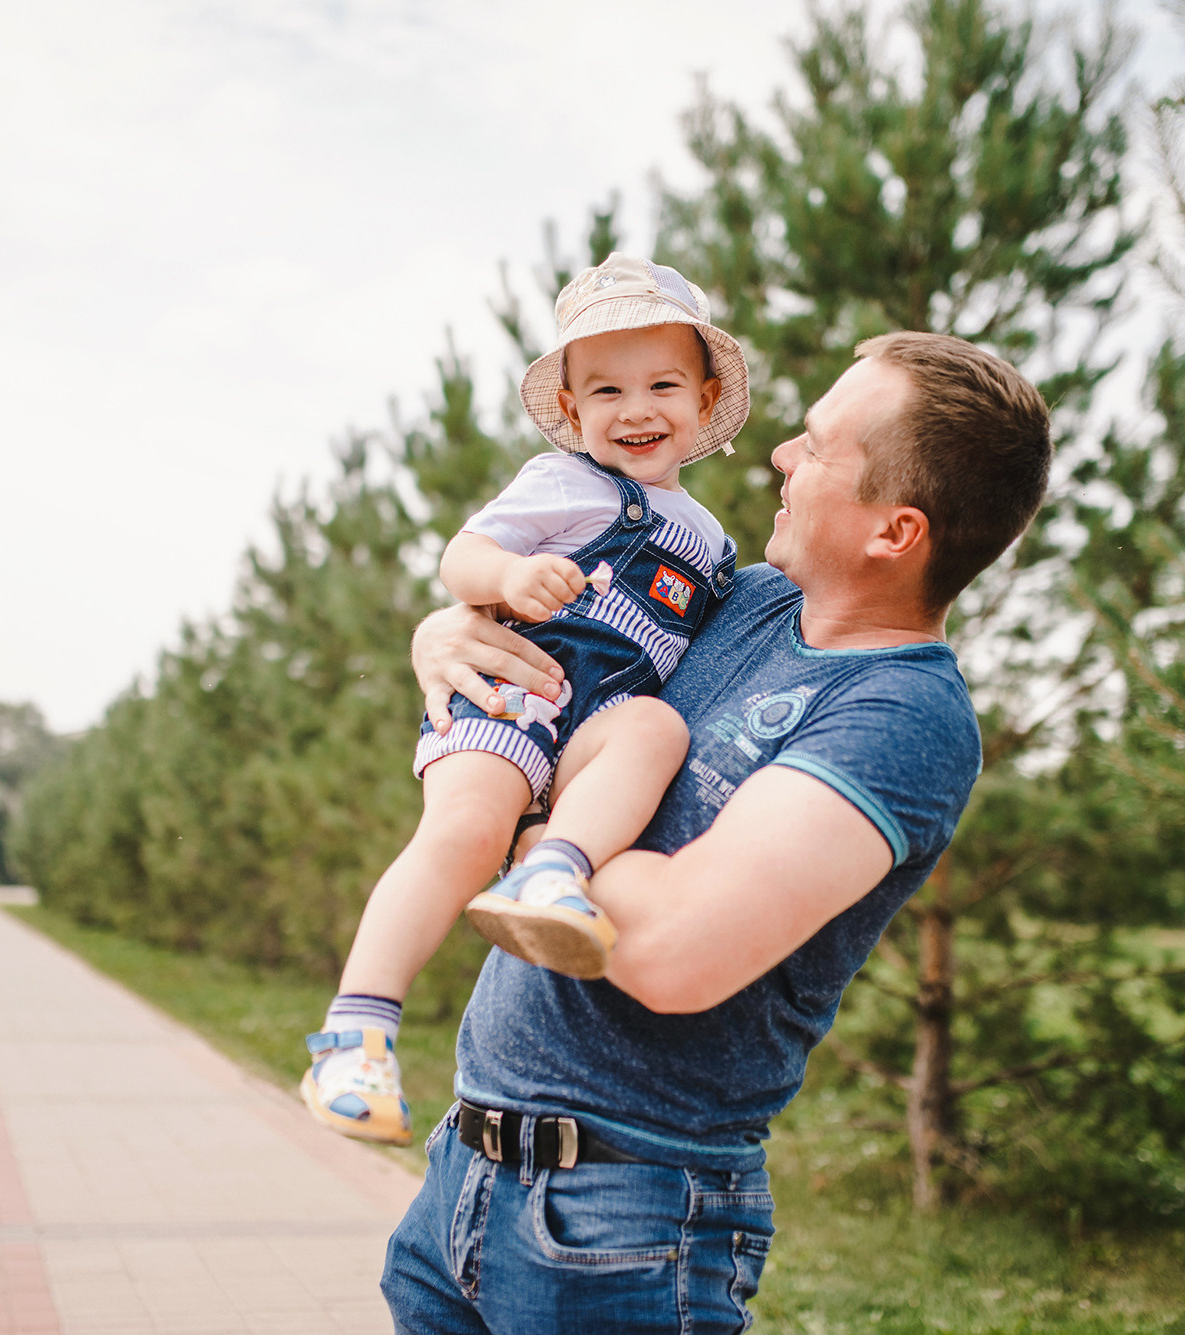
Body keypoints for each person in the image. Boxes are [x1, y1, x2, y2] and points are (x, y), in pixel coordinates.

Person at [382, 331, 1052, 1332]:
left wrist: (533, 833)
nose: (781, 454)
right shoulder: (728, 602)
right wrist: (445, 634)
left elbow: (668, 953)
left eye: (818, 448)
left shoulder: (901, 718)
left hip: (622, 1219)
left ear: (894, 533)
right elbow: (536, 670)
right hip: (462, 1173)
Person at [301, 254, 753, 1147]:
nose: (635, 410)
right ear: (572, 411)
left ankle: (557, 864)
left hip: (592, 726)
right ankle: (355, 1034)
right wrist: (508, 573)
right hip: (512, 692)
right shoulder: (559, 484)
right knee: (463, 831)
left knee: (652, 725)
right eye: (606, 391)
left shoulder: (710, 539)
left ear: (704, 403)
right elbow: (460, 559)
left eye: (662, 383)